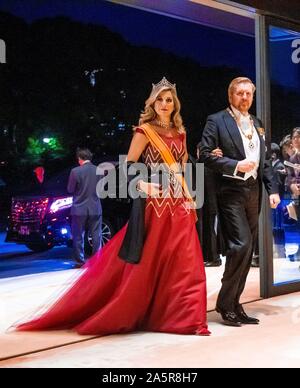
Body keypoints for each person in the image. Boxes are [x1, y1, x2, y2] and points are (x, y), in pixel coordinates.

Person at [13, 77, 210, 336]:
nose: (164, 104)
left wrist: (190, 198)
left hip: (178, 201)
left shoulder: (180, 132)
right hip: (154, 203)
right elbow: (127, 167)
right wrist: (143, 186)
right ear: (152, 103)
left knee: (186, 262)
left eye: (169, 99)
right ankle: (153, 312)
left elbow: (182, 168)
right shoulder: (144, 131)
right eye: (160, 99)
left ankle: (187, 318)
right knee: (151, 260)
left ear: (175, 104)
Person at [200, 77, 280, 327]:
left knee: (248, 249)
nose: (245, 98)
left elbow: (264, 161)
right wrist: (235, 165)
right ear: (230, 95)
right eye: (240, 93)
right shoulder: (217, 120)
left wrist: (273, 189)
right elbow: (203, 154)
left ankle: (235, 303)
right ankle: (225, 303)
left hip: (253, 191)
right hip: (230, 191)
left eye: (248, 94)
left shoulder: (257, 123)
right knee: (240, 245)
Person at [67, 148, 102, 267]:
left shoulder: (75, 171)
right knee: (96, 235)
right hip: (95, 207)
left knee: (78, 236)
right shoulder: (99, 170)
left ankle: (79, 262)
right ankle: (97, 260)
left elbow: (70, 189)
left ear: (80, 159)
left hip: (79, 209)